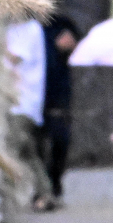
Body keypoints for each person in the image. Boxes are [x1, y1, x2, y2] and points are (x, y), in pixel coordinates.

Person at [4, 17, 52, 209]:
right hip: (10, 99)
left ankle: (9, 196)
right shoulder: (10, 28)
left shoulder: (31, 29)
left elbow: (16, 57)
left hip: (24, 101)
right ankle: (45, 192)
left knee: (13, 147)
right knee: (27, 150)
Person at [36, 14, 80, 210]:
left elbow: (79, 45)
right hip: (31, 93)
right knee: (34, 145)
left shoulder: (61, 23)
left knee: (60, 140)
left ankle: (54, 183)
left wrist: (72, 44)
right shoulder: (24, 27)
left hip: (57, 92)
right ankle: (41, 190)